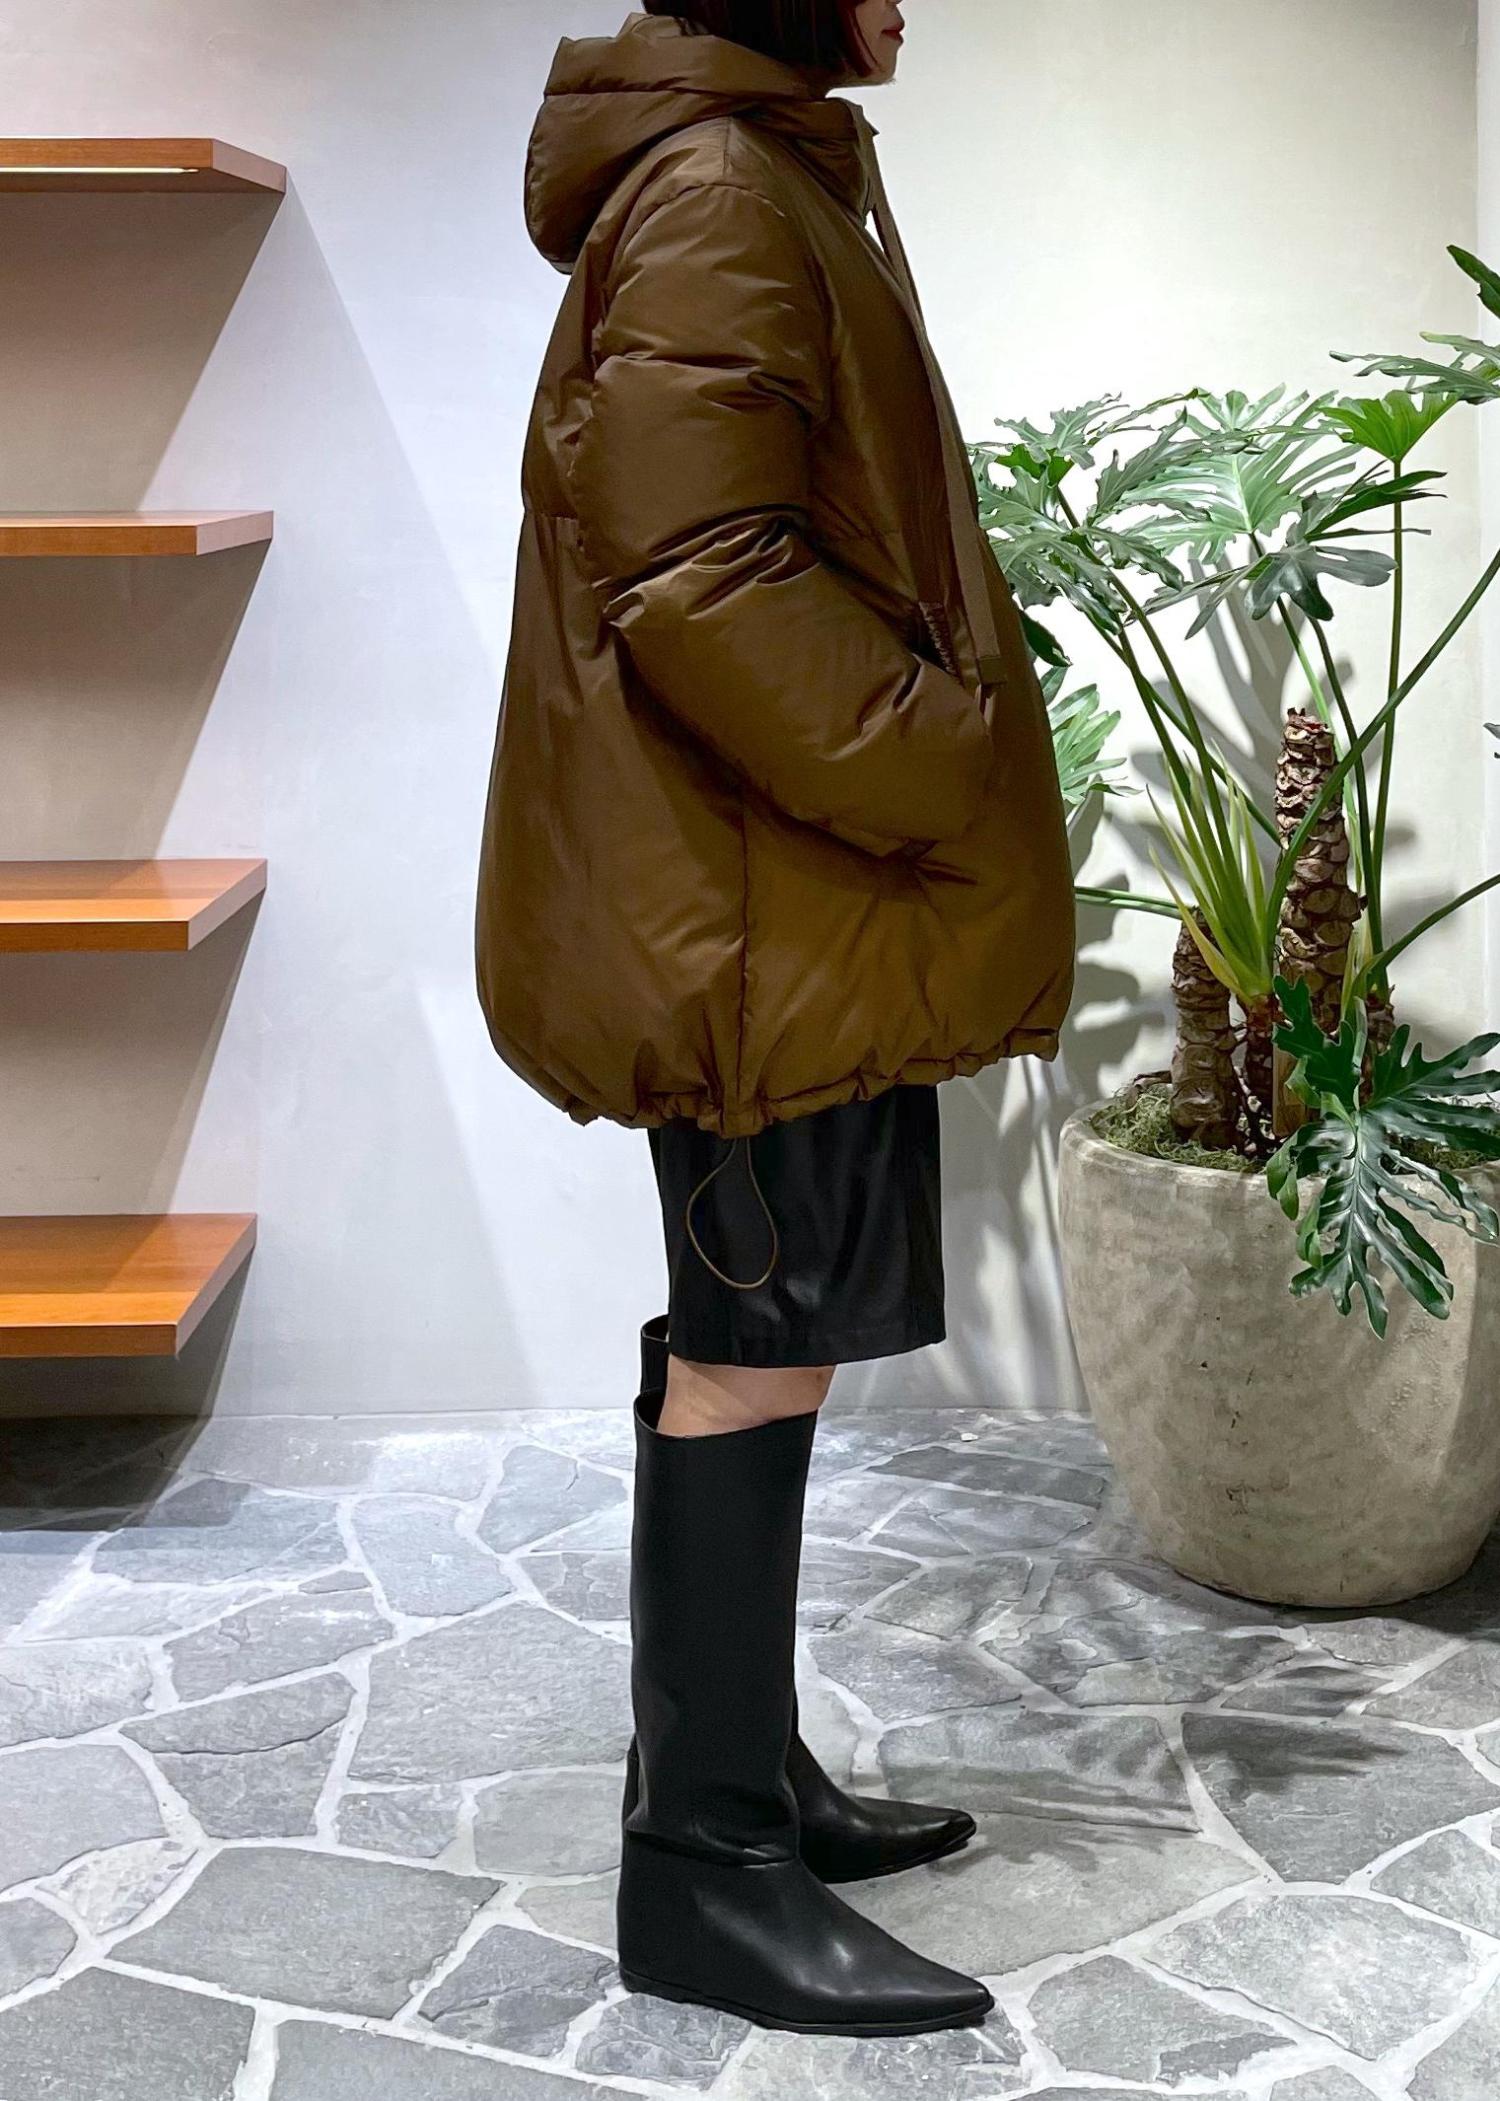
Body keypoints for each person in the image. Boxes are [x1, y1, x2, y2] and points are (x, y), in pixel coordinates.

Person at [476, 0, 1075, 2038]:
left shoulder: (756, 168)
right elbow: (698, 568)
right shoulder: (724, 189)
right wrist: (942, 755)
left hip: (787, 899)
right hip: (764, 912)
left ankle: (741, 1771)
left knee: (763, 1337)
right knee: (752, 1348)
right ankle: (706, 1869)